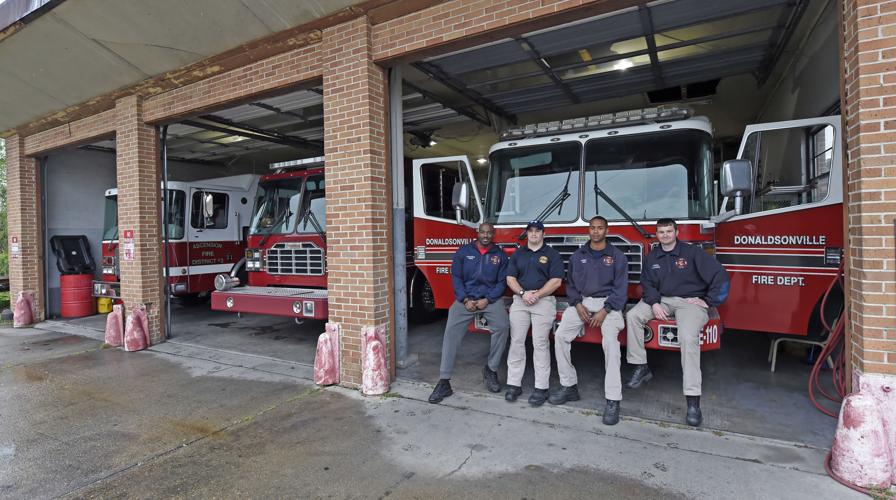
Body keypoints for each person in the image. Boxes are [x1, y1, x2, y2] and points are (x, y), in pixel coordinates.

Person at [625, 218, 729, 427]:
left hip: (688, 303)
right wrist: (654, 303)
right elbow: (647, 283)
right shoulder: (653, 256)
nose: (665, 235)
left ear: (676, 232)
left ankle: (693, 401)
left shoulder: (692, 253)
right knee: (633, 316)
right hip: (661, 300)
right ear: (657, 234)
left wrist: (708, 300)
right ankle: (641, 366)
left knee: (688, 338)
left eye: (668, 231)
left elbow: (720, 274)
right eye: (661, 232)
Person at [549, 216, 628, 426]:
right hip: (582, 303)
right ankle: (569, 386)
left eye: (600, 228)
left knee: (610, 343)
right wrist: (577, 304)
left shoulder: (617, 256)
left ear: (606, 230)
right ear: (588, 230)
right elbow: (571, 285)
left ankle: (613, 399)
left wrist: (606, 310)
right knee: (560, 336)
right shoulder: (578, 256)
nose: (595, 232)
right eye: (592, 228)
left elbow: (621, 290)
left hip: (608, 304)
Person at [429, 222, 511, 404]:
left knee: (503, 326)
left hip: (489, 300)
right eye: (483, 232)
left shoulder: (500, 255)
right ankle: (444, 381)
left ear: (493, 234)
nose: (486, 235)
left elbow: (502, 282)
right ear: (477, 233)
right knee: (450, 331)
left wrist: (487, 300)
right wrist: (465, 299)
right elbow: (456, 277)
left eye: (489, 232)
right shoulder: (464, 252)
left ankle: (491, 369)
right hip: (465, 300)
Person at [504, 220, 564, 406]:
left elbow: (556, 281)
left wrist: (537, 294)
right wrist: (523, 293)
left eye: (538, 231)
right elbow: (510, 278)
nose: (534, 234)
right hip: (521, 301)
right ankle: (514, 384)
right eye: (530, 231)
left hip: (544, 301)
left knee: (540, 344)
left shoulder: (552, 254)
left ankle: (541, 387)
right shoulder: (518, 254)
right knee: (516, 342)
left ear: (543, 234)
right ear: (527, 234)